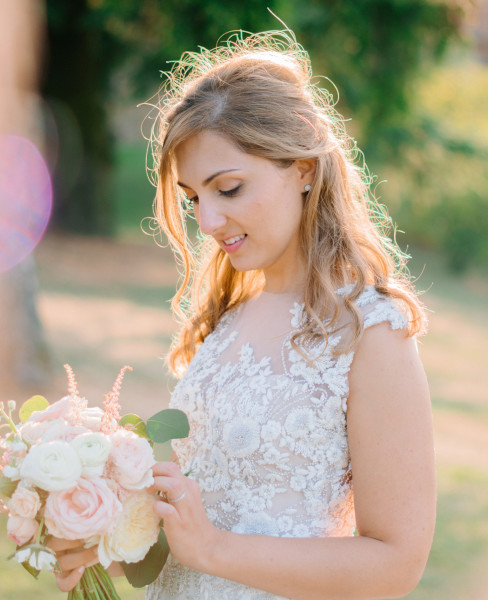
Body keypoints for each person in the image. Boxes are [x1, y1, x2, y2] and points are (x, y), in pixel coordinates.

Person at [52, 29, 435, 599]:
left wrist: (214, 550)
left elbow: (396, 564)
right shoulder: (226, 319)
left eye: (227, 189)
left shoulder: (370, 332)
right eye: (192, 199)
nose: (206, 222)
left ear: (303, 166)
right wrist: (101, 528)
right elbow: (201, 513)